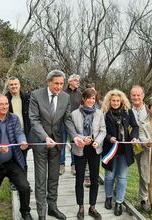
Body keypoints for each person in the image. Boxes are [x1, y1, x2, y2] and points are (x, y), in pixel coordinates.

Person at [28, 70, 85, 220]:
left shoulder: (65, 97)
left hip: (57, 142)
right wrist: (45, 137)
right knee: (41, 178)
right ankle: (41, 212)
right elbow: (34, 120)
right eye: (56, 84)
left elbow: (67, 119)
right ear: (48, 82)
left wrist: (75, 136)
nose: (59, 87)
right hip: (40, 142)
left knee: (54, 177)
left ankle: (52, 207)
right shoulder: (36, 95)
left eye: (61, 84)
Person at [0, 94, 33, 220]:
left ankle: (25, 211)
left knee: (25, 187)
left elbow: (19, 132)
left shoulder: (14, 118)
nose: (4, 107)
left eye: (6, 104)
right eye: (1, 104)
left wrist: (23, 141)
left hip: (12, 162)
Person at [101, 89, 139, 216]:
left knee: (122, 177)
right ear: (109, 101)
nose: (116, 103)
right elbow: (101, 130)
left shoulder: (128, 112)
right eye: (113, 100)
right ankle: (108, 197)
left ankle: (118, 202)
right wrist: (109, 138)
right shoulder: (105, 114)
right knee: (109, 176)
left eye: (118, 100)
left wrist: (134, 137)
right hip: (110, 149)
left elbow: (135, 126)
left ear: (122, 101)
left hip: (125, 150)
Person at [71, 88, 106, 220]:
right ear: (83, 99)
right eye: (89, 98)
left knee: (94, 179)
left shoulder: (99, 113)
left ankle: (92, 207)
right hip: (80, 149)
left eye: (93, 98)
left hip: (95, 150)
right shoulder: (74, 114)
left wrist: (97, 141)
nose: (91, 101)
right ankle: (81, 207)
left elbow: (103, 130)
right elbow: (72, 132)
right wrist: (81, 138)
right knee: (79, 179)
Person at [6, 76, 31, 190]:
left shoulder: (26, 98)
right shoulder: (5, 99)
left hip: (24, 132)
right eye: (11, 84)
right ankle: (13, 182)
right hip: (10, 133)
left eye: (16, 84)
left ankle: (24, 183)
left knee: (23, 159)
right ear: (8, 86)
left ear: (19, 85)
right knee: (12, 159)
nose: (14, 86)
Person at [130, 85, 149, 211]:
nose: (136, 97)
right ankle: (116, 192)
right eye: (133, 95)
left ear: (143, 96)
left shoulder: (150, 109)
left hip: (144, 147)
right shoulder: (125, 109)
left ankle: (143, 199)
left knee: (144, 173)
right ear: (130, 96)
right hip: (128, 145)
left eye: (138, 95)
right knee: (120, 170)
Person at [60, 74, 82, 175]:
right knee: (62, 144)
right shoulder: (62, 93)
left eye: (78, 80)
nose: (78, 82)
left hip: (75, 123)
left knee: (74, 144)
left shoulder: (80, 94)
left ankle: (74, 165)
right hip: (63, 122)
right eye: (76, 80)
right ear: (70, 82)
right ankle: (61, 165)